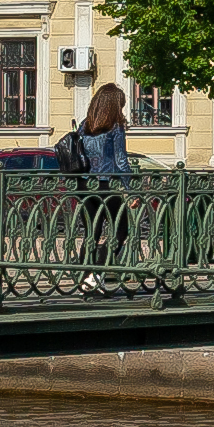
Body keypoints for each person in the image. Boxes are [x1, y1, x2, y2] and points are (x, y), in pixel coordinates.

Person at [58, 80, 133, 283]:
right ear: (115, 105)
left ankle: (86, 276)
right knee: (121, 228)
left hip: (83, 185)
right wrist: (131, 189)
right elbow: (120, 161)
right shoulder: (116, 128)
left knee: (91, 232)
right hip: (105, 185)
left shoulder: (85, 125)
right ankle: (99, 269)